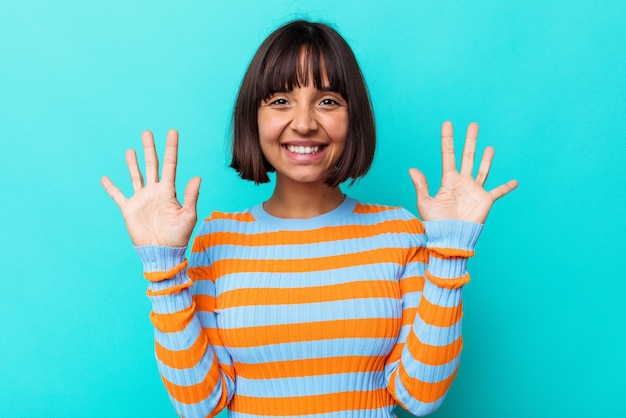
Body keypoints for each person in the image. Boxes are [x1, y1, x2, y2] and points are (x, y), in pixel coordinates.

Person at [101, 19, 517, 418]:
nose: (303, 123)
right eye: (281, 101)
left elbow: (420, 397)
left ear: (354, 117)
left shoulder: (399, 232)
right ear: (254, 117)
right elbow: (199, 405)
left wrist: (451, 252)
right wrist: (163, 269)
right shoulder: (217, 240)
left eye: (328, 101)